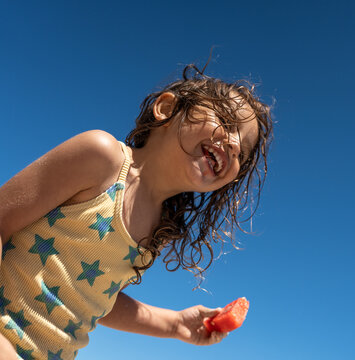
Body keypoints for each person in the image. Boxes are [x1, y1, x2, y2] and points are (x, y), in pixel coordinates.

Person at [0, 64, 272, 360]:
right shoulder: (101, 158)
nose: (233, 145)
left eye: (241, 154)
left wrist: (176, 324)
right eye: (227, 120)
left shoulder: (158, 231)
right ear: (167, 108)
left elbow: (96, 298)